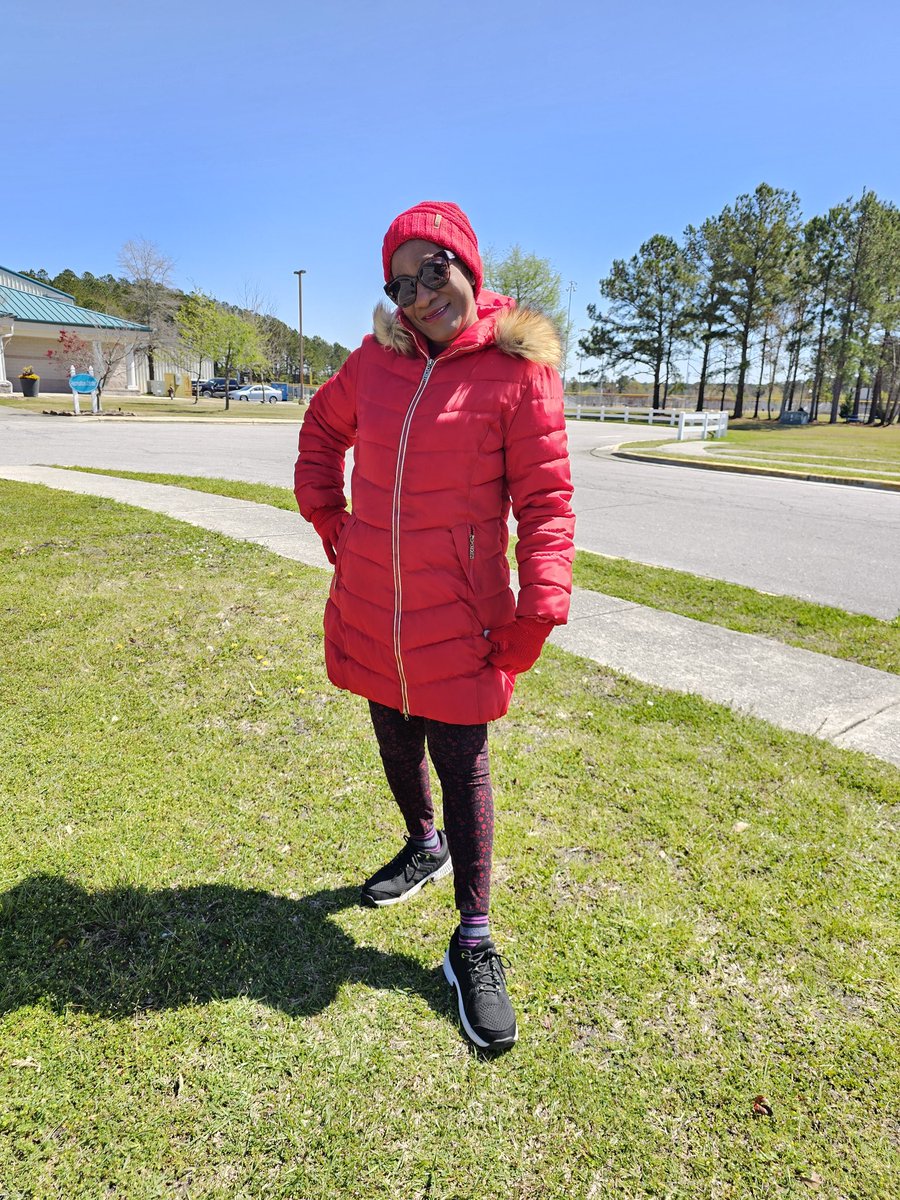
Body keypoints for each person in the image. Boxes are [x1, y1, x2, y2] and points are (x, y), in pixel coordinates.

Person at [293, 201, 574, 1050]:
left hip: (462, 620)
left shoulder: (516, 370)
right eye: (401, 282)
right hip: (373, 607)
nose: (421, 293)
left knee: (465, 766)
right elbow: (319, 434)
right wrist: (330, 520)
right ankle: (423, 844)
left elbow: (547, 502)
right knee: (390, 733)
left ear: (468, 267)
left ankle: (474, 941)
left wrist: (540, 609)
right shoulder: (373, 365)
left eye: (435, 271)